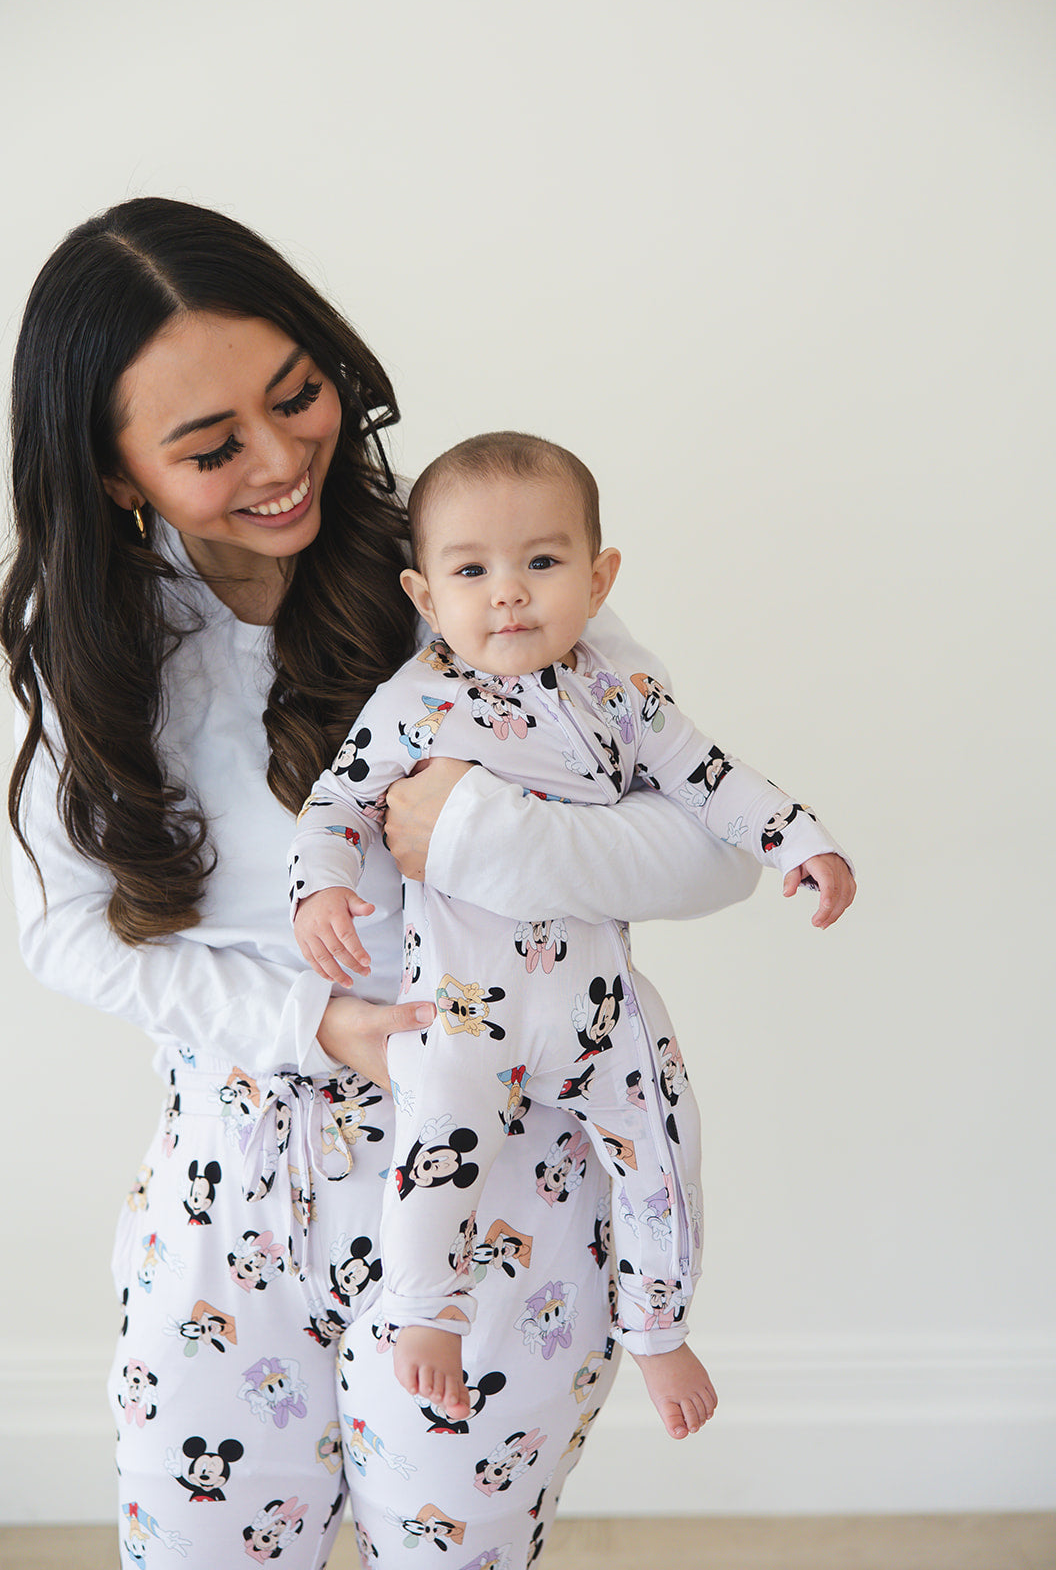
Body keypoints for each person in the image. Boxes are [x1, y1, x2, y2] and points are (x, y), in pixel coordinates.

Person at [2, 200, 763, 1568]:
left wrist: (479, 836)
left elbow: (714, 848)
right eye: (209, 446)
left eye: (297, 395)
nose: (281, 458)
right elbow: (62, 934)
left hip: (497, 1182)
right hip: (228, 1188)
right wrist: (312, 1025)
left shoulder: (478, 564)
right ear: (115, 474)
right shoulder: (84, 649)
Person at [289, 430, 855, 1444]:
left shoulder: (621, 694)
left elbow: (710, 780)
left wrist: (796, 841)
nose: (508, 592)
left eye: (541, 562)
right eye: (471, 572)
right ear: (425, 596)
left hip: (598, 1005)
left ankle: (659, 1326)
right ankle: (425, 1314)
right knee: (434, 1141)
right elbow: (336, 803)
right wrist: (320, 891)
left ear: (597, 580)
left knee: (664, 1140)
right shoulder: (413, 704)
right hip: (464, 1011)